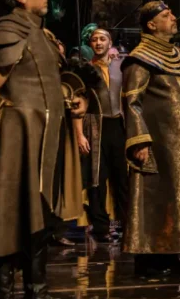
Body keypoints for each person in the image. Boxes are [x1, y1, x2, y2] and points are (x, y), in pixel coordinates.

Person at [0, 0, 85, 298]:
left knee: (39, 216)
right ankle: (4, 291)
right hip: (18, 140)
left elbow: (47, 83)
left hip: (45, 139)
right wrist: (20, 117)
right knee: (9, 216)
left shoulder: (40, 33)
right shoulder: (10, 30)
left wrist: (72, 100)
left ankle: (37, 290)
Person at [122, 0, 180, 277]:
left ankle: (173, 254)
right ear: (151, 24)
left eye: (172, 13)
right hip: (159, 144)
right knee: (154, 197)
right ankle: (148, 260)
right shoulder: (140, 59)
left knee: (178, 199)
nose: (174, 17)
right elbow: (132, 101)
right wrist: (140, 140)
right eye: (166, 15)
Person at [74, 27, 128, 243]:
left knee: (122, 178)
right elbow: (77, 104)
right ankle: (101, 226)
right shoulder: (86, 69)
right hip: (95, 125)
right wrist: (80, 135)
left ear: (110, 43)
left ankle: (128, 225)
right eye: (94, 39)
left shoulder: (120, 66)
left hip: (119, 124)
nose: (98, 43)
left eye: (102, 39)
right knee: (97, 177)